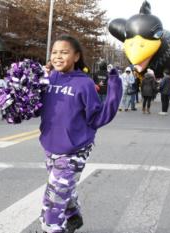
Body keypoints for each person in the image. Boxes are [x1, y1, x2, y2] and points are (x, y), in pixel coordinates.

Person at [39, 35, 122, 233]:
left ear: (76, 56)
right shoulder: (48, 79)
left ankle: (51, 228)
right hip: (50, 146)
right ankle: (73, 215)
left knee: (53, 199)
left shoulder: (84, 84)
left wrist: (115, 87)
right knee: (63, 188)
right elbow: (37, 108)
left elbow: (97, 117)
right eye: (55, 52)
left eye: (64, 52)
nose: (58, 56)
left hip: (75, 149)